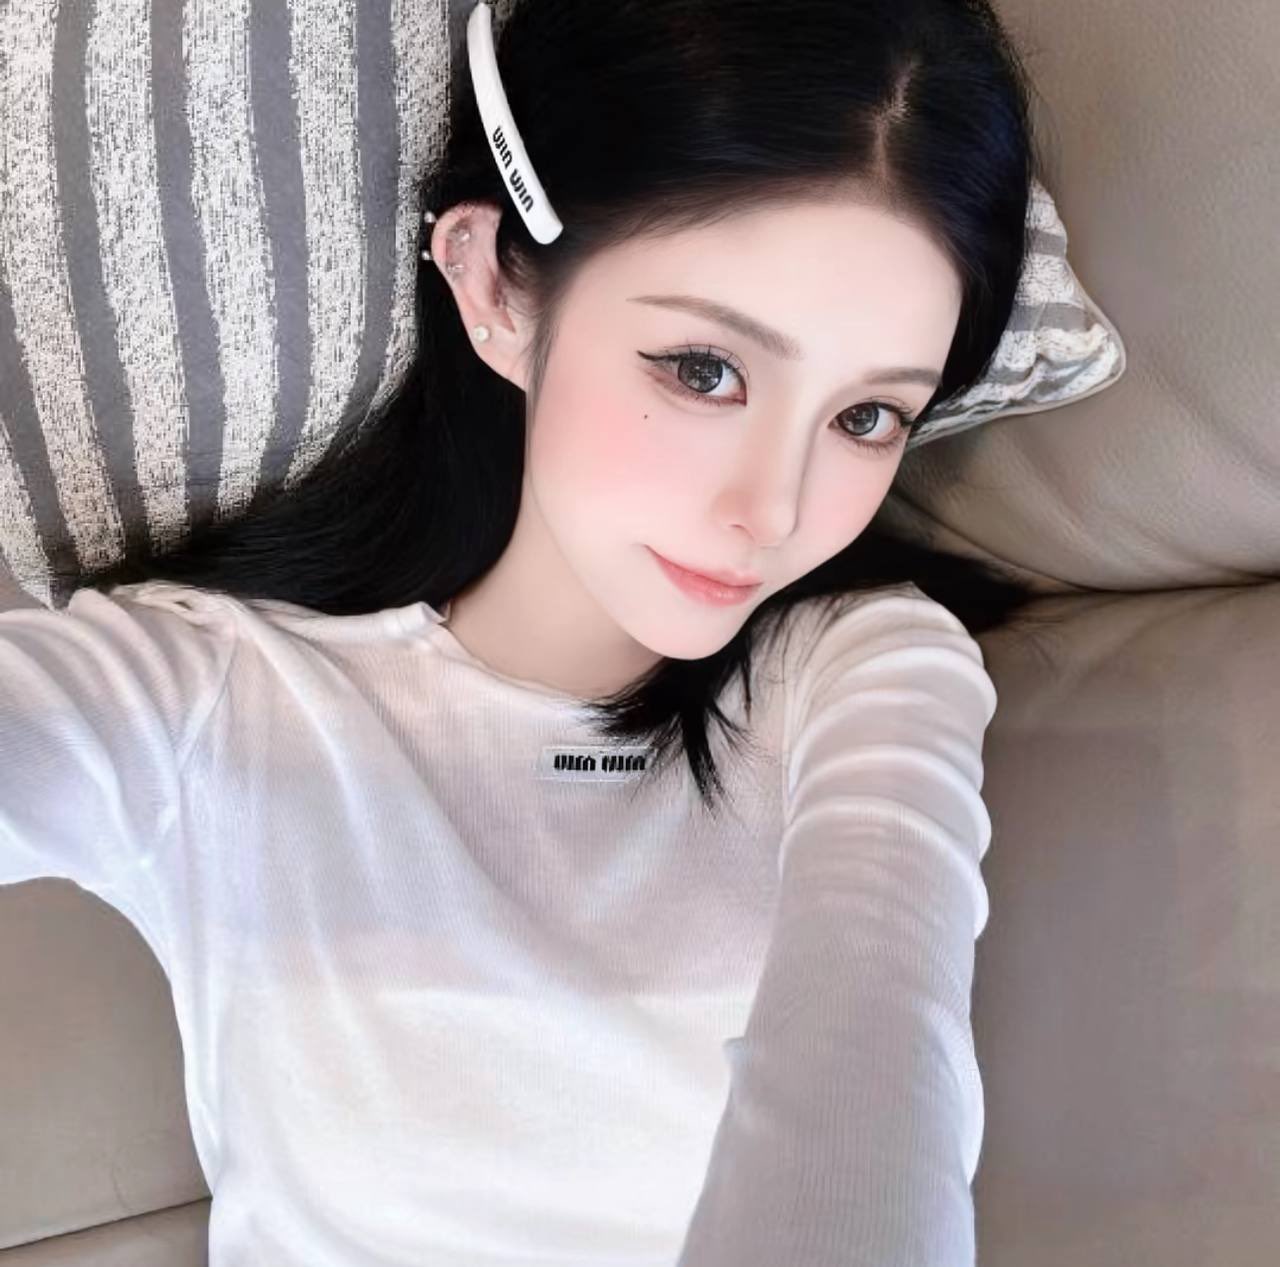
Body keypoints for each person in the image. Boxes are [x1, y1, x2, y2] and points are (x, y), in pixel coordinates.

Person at [2, 1, 1053, 1263]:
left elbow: (878, 1044)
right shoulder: (208, 694)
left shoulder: (861, 670)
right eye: (703, 370)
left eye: (865, 418)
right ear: (494, 284)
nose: (770, 513)